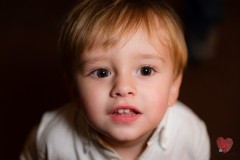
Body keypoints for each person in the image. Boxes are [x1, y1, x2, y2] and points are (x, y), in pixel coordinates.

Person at [20, 0, 210, 159]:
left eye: (145, 70)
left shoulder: (190, 134)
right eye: (101, 73)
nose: (123, 87)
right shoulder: (49, 138)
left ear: (173, 87)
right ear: (74, 90)